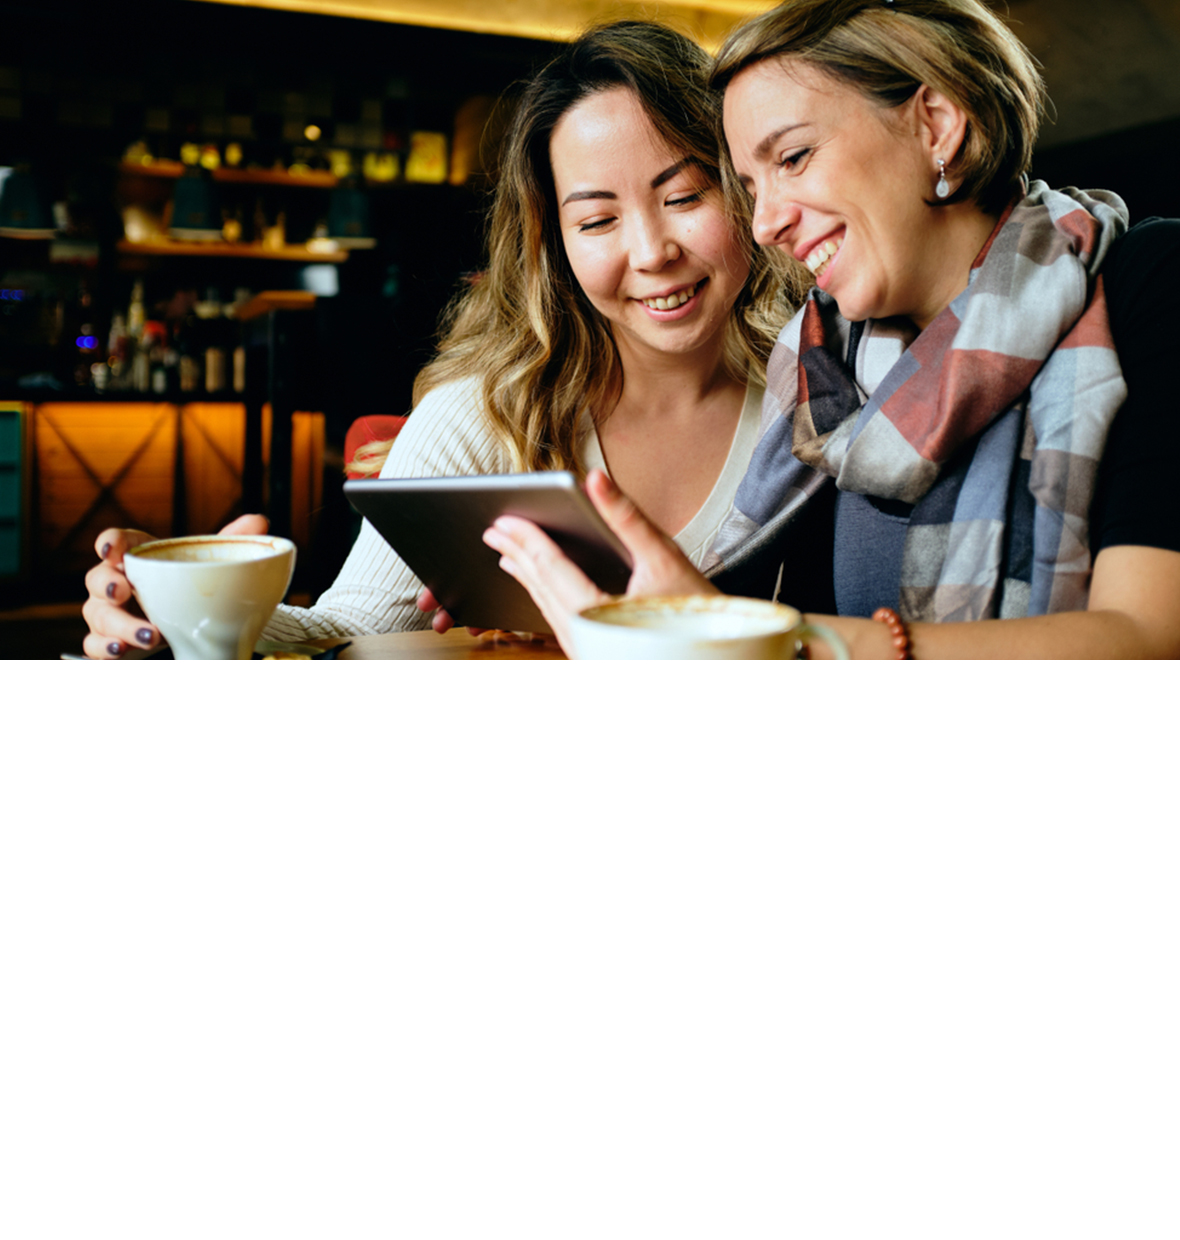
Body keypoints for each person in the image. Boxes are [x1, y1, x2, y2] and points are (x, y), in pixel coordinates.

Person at [80, 21, 803, 659]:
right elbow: (349, 626)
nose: (650, 252)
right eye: (596, 221)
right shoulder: (485, 415)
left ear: (747, 188)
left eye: (683, 197)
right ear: (553, 244)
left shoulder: (822, 398)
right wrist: (198, 615)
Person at [484, 0, 1180, 658]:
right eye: (750, 188)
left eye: (792, 158)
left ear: (935, 124)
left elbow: (1151, 646)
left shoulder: (1148, 280)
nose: (765, 224)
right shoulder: (827, 370)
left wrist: (754, 643)